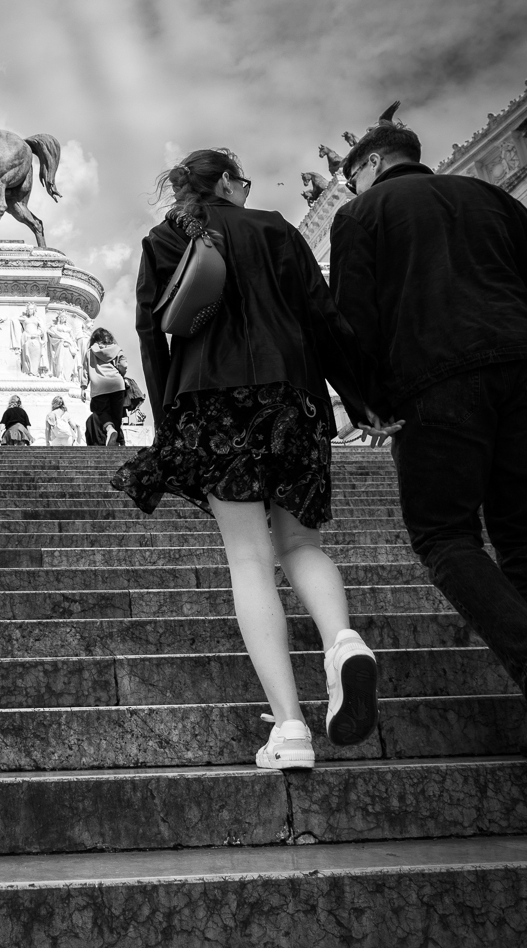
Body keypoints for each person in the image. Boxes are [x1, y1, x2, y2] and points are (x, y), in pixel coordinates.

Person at [113, 147, 395, 772]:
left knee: (248, 556)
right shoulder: (273, 226)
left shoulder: (161, 240)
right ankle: (342, 642)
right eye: (243, 180)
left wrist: (166, 423)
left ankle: (291, 729)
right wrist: (361, 399)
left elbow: (151, 333)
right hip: (292, 395)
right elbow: (324, 318)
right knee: (301, 545)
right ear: (232, 184)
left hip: (210, 400)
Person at [330, 119, 527, 717]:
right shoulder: (490, 197)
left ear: (368, 167)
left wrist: (366, 402)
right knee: (522, 537)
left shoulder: (362, 214)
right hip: (522, 366)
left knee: (445, 535)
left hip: (433, 380)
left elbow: (351, 318)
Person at [86, 328, 129, 446]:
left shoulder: (90, 351)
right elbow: (123, 365)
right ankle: (116, 440)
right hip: (117, 385)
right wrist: (121, 374)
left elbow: (84, 371)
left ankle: (110, 430)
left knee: (100, 410)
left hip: (99, 386)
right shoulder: (117, 349)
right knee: (116, 414)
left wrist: (83, 386)